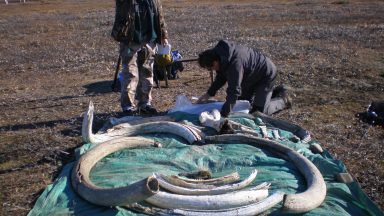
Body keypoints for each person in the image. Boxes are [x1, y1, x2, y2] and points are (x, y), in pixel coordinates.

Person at [197, 40, 292, 117]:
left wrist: (223, 115)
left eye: (210, 68)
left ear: (215, 62)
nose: (212, 70)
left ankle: (283, 99)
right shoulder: (222, 57)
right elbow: (221, 77)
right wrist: (208, 94)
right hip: (249, 77)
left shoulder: (235, 64)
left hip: (265, 75)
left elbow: (234, 91)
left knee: (258, 113)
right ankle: (272, 93)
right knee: (243, 106)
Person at [111, 0, 169, 115]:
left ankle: (145, 103)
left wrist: (163, 34)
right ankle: (128, 107)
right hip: (130, 39)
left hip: (150, 39)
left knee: (147, 72)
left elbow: (159, 15)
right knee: (130, 73)